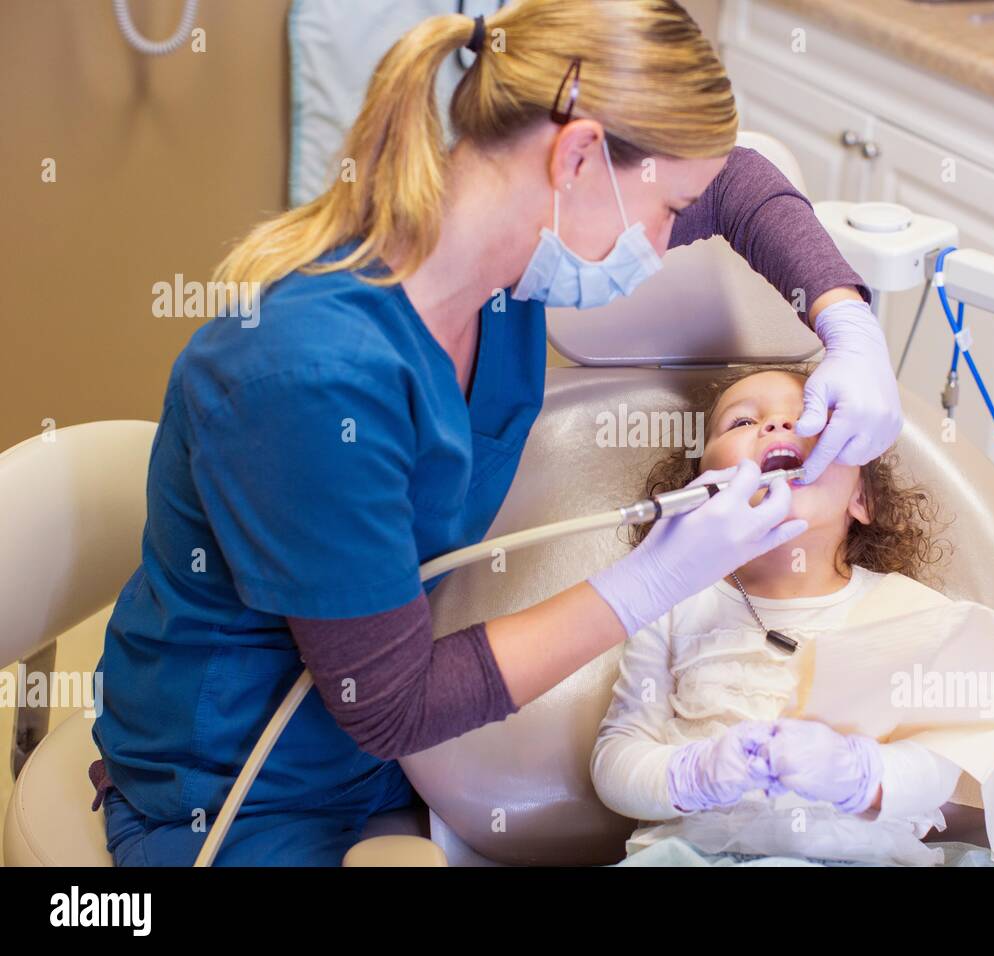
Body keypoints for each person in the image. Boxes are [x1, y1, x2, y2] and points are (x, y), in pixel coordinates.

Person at [91, 0, 903, 866]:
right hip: (237, 784)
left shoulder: (503, 271)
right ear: (580, 154)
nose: (669, 242)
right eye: (669, 210)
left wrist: (845, 320)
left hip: (401, 756)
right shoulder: (311, 378)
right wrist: (653, 581)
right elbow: (388, 702)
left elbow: (734, 180)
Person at [591, 365, 994, 866]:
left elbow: (941, 764)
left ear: (862, 499)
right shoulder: (672, 605)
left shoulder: (911, 614)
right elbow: (615, 760)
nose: (778, 427)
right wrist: (690, 774)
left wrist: (857, 772)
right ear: (700, 490)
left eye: (809, 420)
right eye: (740, 423)